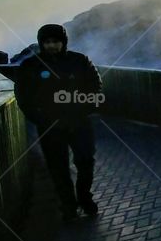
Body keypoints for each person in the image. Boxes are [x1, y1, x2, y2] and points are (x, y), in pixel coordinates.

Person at [14, 24, 103, 221]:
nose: (52, 46)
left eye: (56, 41)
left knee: (86, 161)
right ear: (41, 43)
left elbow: (95, 85)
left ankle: (84, 197)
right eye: (47, 42)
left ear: (63, 42)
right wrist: (39, 118)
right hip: (49, 126)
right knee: (58, 167)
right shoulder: (30, 66)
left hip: (79, 122)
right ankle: (68, 206)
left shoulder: (79, 60)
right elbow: (23, 97)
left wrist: (86, 107)